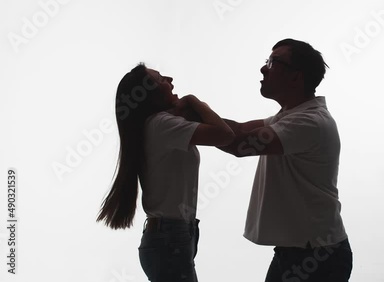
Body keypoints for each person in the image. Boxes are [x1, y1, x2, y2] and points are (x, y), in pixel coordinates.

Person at [218, 39, 353, 281]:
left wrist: (192, 109)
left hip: (317, 256)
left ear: (296, 77)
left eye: (273, 62)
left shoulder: (309, 122)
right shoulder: (289, 116)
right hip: (298, 251)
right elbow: (237, 129)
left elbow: (239, 145)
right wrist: (185, 115)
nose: (263, 69)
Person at [96, 63, 234, 282]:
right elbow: (226, 135)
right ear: (149, 94)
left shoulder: (158, 125)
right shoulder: (162, 125)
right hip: (170, 238)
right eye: (161, 78)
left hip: (173, 236)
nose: (169, 79)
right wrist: (193, 100)